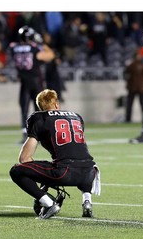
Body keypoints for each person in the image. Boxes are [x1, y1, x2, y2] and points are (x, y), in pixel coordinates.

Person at [9, 89, 101, 220]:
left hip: (65, 173)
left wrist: (43, 181)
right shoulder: (77, 116)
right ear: (57, 104)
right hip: (90, 172)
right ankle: (87, 202)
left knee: (16, 171)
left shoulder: (39, 117)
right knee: (80, 163)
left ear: (40, 107)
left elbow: (24, 158)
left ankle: (49, 203)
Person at [9, 26, 55, 143]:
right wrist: (42, 44)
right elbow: (50, 55)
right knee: (40, 109)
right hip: (36, 82)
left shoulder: (14, 47)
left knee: (24, 109)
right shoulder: (35, 48)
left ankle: (25, 134)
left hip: (24, 82)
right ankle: (41, 134)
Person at [123, 48, 143, 123]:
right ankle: (128, 119)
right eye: (137, 55)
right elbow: (125, 74)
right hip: (132, 87)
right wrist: (128, 82)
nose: (138, 57)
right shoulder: (131, 65)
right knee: (129, 105)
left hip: (140, 88)